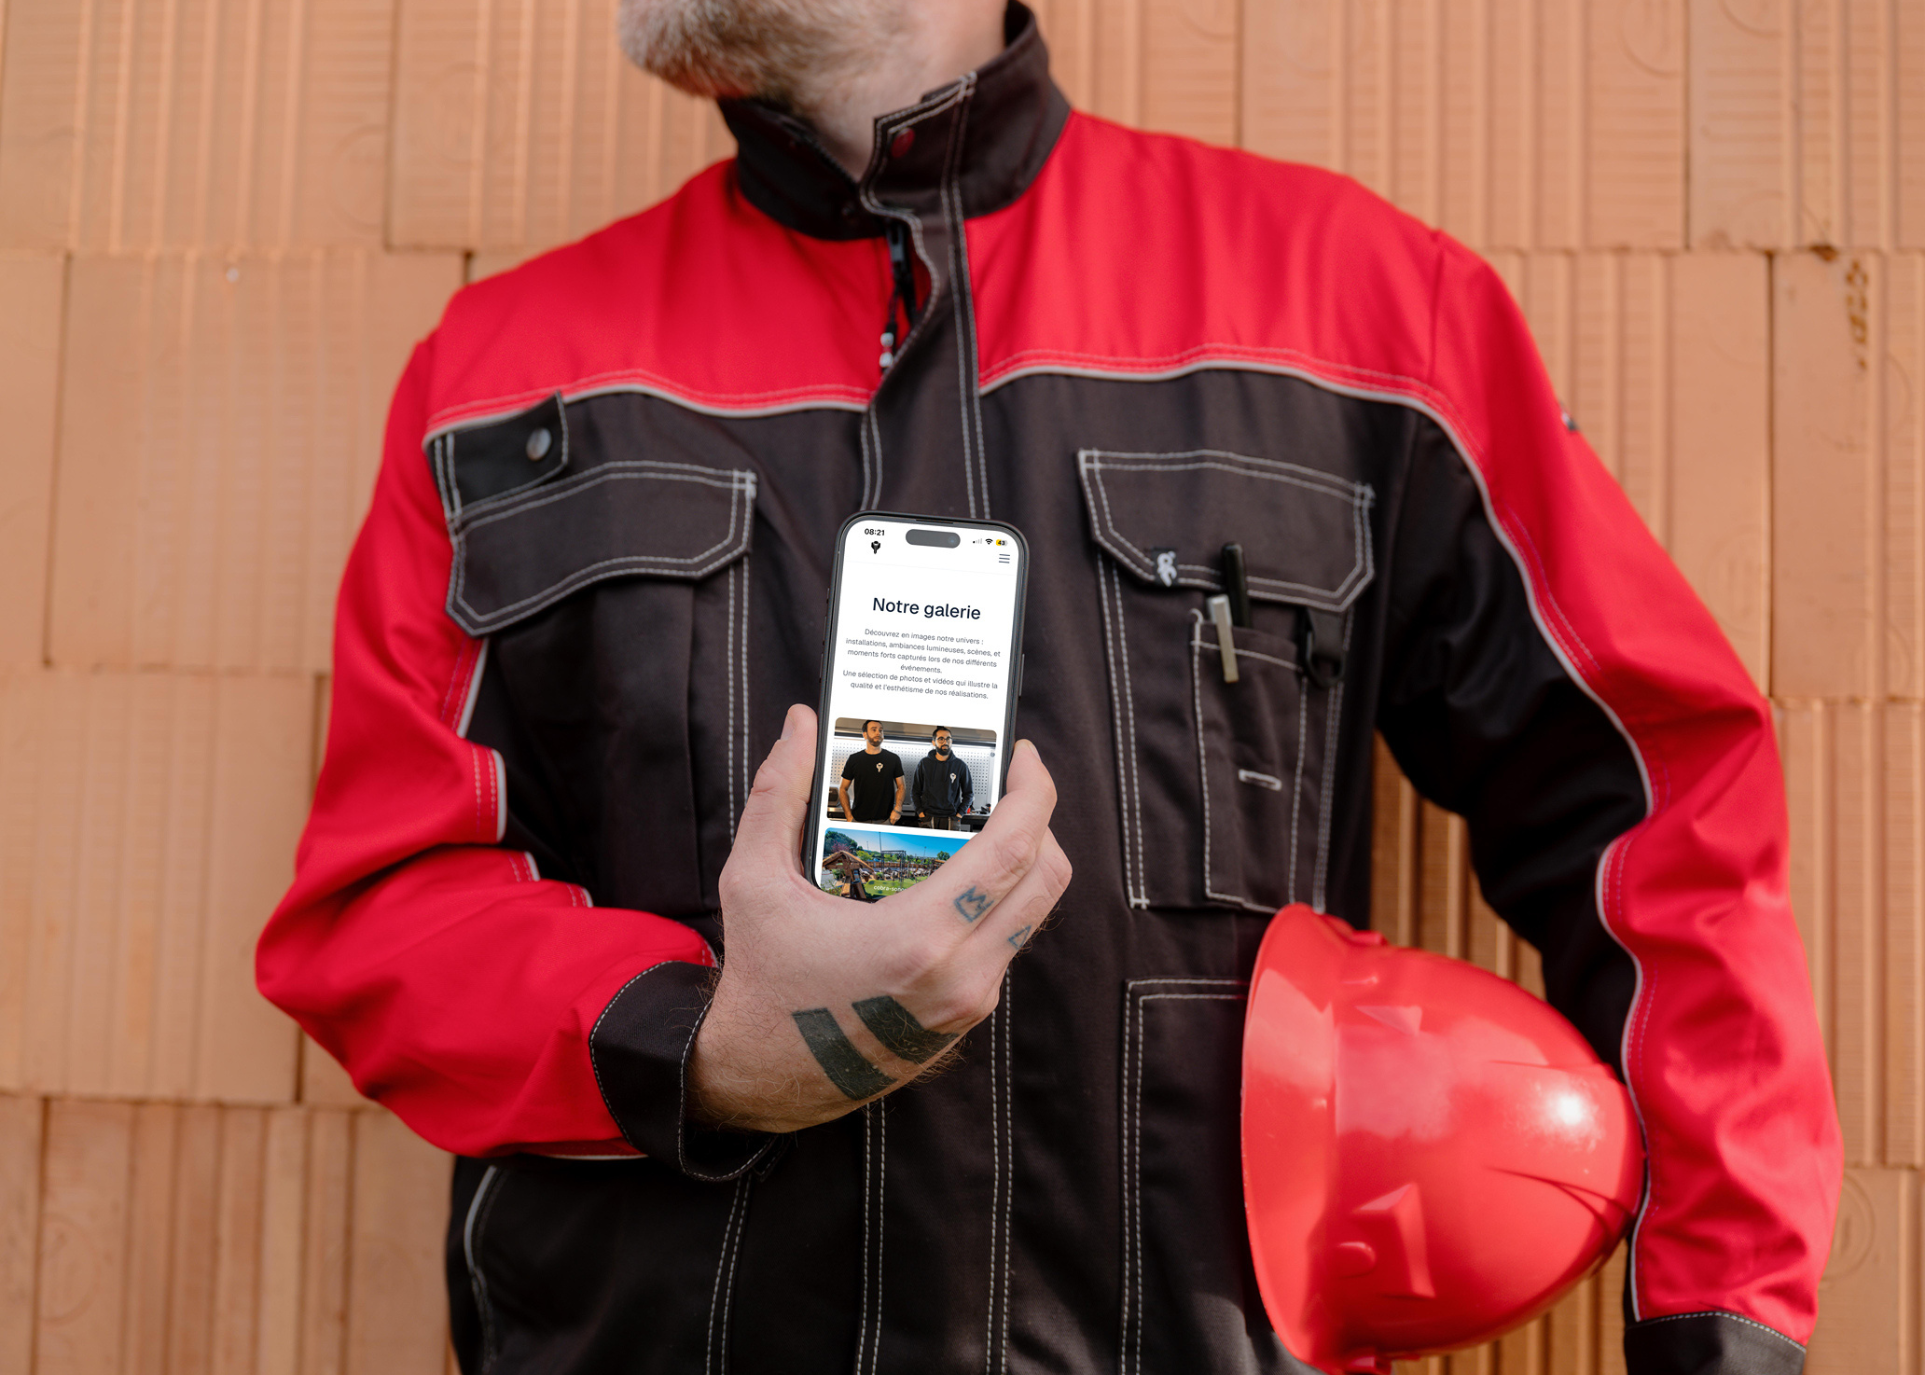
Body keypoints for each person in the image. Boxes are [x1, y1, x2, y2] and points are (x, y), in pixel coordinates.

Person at [256, 3, 1841, 1373]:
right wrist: (705, 1041)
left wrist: (1719, 1328)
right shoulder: (504, 374)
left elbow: (1661, 805)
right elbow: (382, 908)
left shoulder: (1358, 315)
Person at [837, 719, 905, 823]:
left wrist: (898, 809)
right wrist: (849, 816)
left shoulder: (893, 759)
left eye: (881, 730)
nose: (878, 732)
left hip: (885, 820)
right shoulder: (854, 759)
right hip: (858, 819)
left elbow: (901, 786)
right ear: (865, 735)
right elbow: (842, 788)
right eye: (874, 730)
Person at [913, 726, 973, 830]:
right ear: (933, 742)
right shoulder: (924, 764)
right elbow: (915, 791)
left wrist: (959, 815)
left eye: (948, 738)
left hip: (952, 818)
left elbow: (969, 793)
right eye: (941, 739)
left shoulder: (960, 765)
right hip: (928, 818)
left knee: (949, 846)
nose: (945, 741)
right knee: (926, 846)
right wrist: (920, 813)